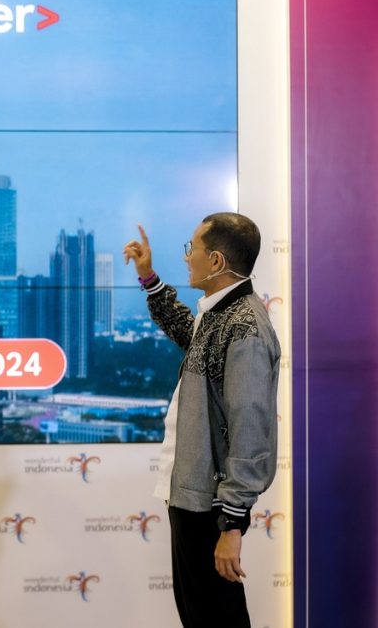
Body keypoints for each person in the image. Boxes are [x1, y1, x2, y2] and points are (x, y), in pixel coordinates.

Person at [123, 213, 280, 628]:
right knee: (200, 616)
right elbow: (185, 332)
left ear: (216, 261)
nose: (186, 256)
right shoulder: (219, 314)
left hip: (211, 506)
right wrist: (149, 278)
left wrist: (232, 524)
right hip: (193, 497)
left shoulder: (244, 327)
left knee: (216, 617)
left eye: (192, 248)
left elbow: (250, 429)